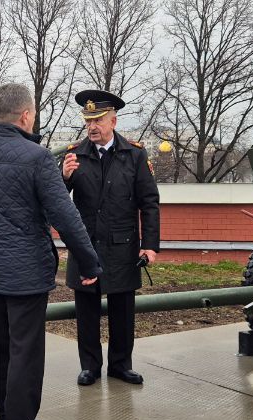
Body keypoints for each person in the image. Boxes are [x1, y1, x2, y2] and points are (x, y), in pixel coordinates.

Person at [0, 83, 102, 420]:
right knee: (25, 353)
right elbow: (65, 216)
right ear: (26, 116)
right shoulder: (36, 158)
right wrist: (89, 262)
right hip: (25, 274)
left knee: (1, 349)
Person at [61, 90, 160, 387]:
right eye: (88, 121)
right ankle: (90, 366)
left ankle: (120, 365)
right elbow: (56, 202)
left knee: (123, 310)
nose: (92, 127)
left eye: (98, 120)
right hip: (87, 246)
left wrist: (150, 245)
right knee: (86, 311)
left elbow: (149, 203)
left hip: (122, 246)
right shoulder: (74, 155)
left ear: (113, 121)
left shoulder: (135, 155)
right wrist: (63, 179)